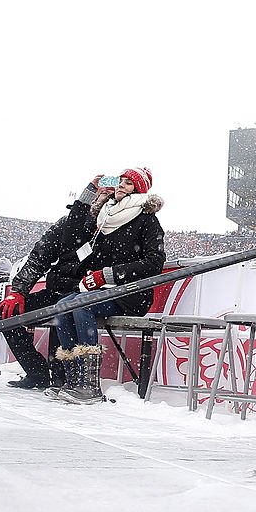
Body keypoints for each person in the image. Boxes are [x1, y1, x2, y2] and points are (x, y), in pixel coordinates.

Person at [52, 167, 166, 405]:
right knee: (62, 307)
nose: (122, 185)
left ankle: (89, 383)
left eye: (129, 183)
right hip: (101, 291)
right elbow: (78, 241)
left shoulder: (147, 220)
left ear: (139, 189)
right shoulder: (105, 217)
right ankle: (73, 379)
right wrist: (97, 202)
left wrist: (109, 275)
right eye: (120, 181)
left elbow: (155, 263)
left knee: (83, 306)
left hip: (131, 294)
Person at [0, 178, 103, 389]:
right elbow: (39, 257)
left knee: (64, 313)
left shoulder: (114, 229)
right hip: (56, 291)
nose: (103, 199)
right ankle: (36, 372)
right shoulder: (66, 225)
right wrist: (18, 291)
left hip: (84, 296)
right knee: (6, 314)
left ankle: (62, 376)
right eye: (99, 194)